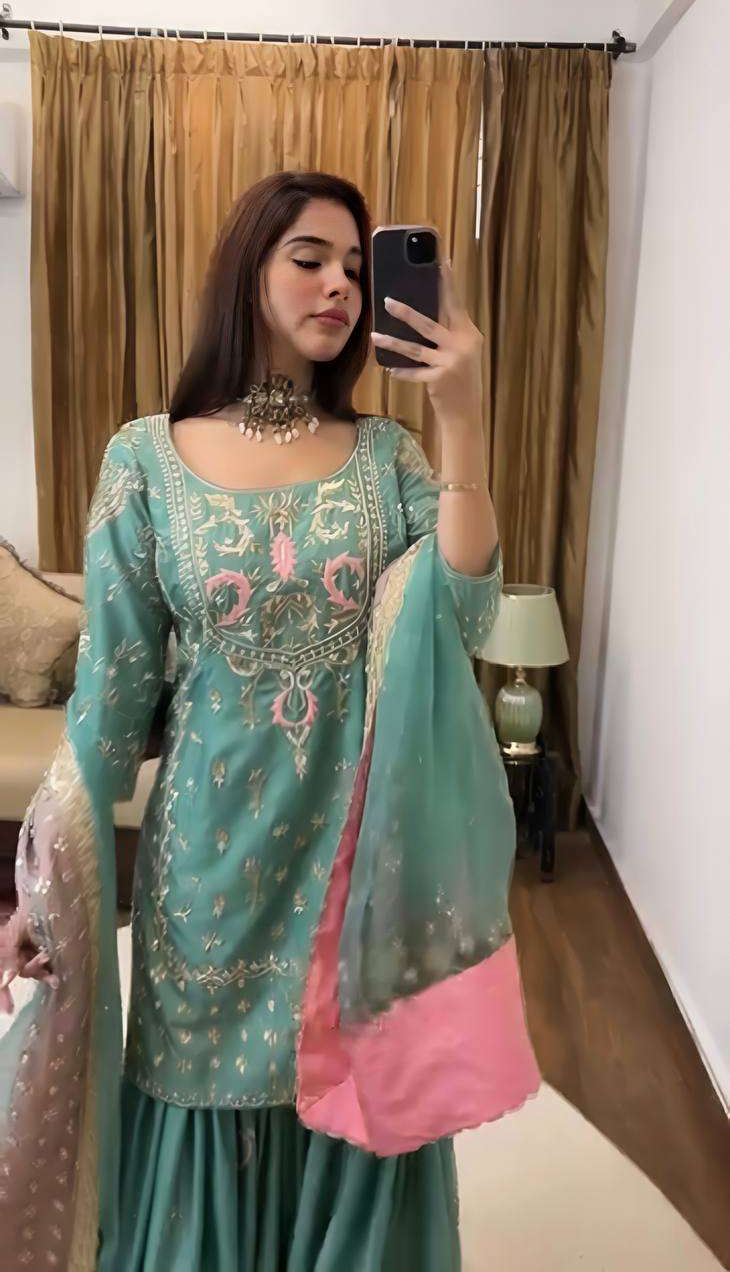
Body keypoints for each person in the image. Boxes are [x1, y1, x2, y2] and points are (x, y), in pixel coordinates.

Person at [0, 171, 540, 1270]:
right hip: (205, 867)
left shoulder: (387, 457)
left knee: (344, 1082)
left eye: (355, 266)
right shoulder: (146, 457)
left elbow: (467, 612)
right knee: (201, 1085)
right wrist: (43, 881)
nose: (341, 283)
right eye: (310, 257)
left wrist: (464, 418)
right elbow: (111, 694)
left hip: (356, 856)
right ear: (247, 270)